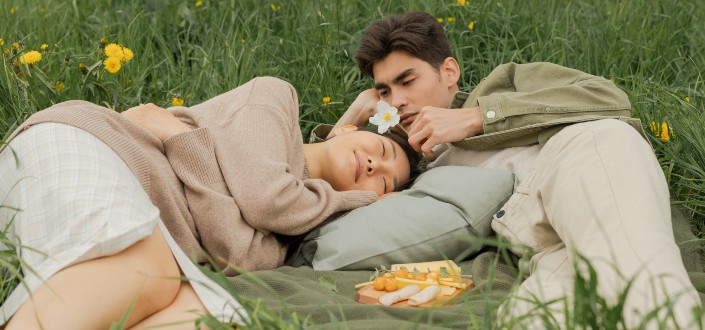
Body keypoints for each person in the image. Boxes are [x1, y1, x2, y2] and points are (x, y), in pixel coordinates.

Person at [326, 11, 702, 328]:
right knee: (532, 318)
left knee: (646, 291)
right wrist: (355, 114)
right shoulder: (402, 165)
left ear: (449, 72)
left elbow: (609, 99)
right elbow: (316, 187)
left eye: (407, 81)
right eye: (385, 92)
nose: (399, 100)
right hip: (536, 241)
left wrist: (477, 117)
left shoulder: (504, 83)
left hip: (582, 158)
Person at [0, 76, 419, 329]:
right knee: (151, 269)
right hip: (97, 148)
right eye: (380, 150)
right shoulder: (273, 99)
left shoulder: (297, 230)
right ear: (347, 130)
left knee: (203, 312)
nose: (373, 167)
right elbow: (266, 199)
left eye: (385, 184)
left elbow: (239, 257)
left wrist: (181, 140)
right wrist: (188, 144)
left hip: (152, 225)